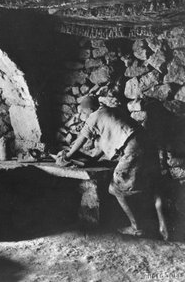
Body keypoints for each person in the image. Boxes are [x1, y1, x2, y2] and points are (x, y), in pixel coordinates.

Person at [57, 96, 168, 240]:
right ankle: (163, 226)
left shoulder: (94, 116)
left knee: (115, 189)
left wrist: (67, 155)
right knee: (153, 186)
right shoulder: (112, 113)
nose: (83, 116)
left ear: (88, 109)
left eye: (83, 112)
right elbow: (100, 150)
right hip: (148, 145)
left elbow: (81, 138)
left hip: (134, 148)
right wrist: (84, 160)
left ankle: (137, 228)